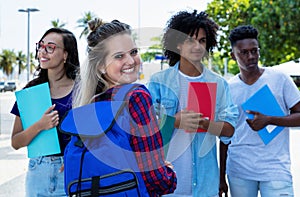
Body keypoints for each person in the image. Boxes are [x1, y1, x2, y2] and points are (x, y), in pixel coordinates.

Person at [72, 18, 177, 197]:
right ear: (101, 67)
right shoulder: (137, 97)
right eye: (119, 56)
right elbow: (154, 179)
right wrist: (169, 176)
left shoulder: (90, 104)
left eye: (134, 52)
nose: (131, 60)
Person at [147, 10, 238, 197]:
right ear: (178, 44)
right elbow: (144, 131)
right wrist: (174, 121)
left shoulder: (219, 84)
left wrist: (207, 124)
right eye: (190, 40)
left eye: (202, 41)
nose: (197, 46)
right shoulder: (159, 82)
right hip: (166, 184)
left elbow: (229, 130)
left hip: (204, 185)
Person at [220, 25, 300, 197]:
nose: (251, 57)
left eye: (254, 51)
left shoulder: (279, 79)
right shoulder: (228, 88)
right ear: (233, 55)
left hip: (275, 169)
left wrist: (270, 119)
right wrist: (221, 179)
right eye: (244, 52)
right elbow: (225, 136)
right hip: (239, 171)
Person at [10, 27, 80, 196]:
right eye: (41, 46)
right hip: (38, 173)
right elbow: (16, 141)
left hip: (70, 172)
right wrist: (40, 125)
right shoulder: (31, 91)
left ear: (65, 54)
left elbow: (96, 136)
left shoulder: (81, 90)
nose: (43, 51)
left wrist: (75, 160)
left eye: (50, 47)